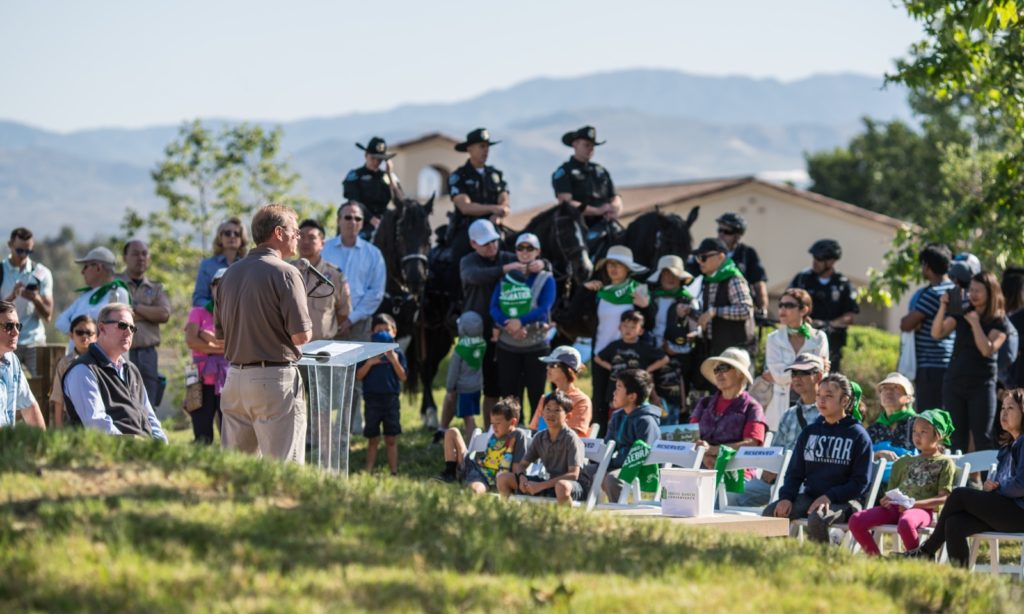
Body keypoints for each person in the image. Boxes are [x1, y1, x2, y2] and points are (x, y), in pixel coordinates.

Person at [216, 204, 312, 463]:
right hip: (274, 381)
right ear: (279, 233)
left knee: (237, 471)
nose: (298, 237)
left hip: (234, 379)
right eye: (295, 231)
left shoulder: (229, 274)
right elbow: (301, 337)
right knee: (284, 469)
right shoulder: (287, 272)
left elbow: (220, 333)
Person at [905, 389, 1024, 565]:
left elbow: (1021, 484)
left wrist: (999, 489)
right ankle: (959, 580)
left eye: (1011, 408)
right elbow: (1003, 481)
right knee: (954, 524)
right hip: (1006, 508)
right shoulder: (1008, 447)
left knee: (959, 494)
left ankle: (926, 551)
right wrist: (991, 486)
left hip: (1019, 513)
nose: (1004, 413)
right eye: (1002, 408)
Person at [763, 373, 872, 543]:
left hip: (845, 501)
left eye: (829, 396)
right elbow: (795, 473)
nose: (821, 400)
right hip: (811, 497)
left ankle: (820, 564)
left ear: (845, 401)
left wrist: (829, 496)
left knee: (818, 518)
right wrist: (786, 497)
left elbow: (860, 482)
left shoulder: (858, 436)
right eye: (819, 395)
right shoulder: (810, 432)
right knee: (771, 512)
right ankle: (777, 561)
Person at [848, 409, 956, 556]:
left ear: (938, 435)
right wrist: (886, 500)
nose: (917, 436)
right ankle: (876, 559)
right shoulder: (903, 461)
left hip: (922, 510)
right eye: (914, 431)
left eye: (923, 432)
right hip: (896, 508)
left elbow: (944, 498)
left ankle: (918, 560)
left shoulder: (945, 462)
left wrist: (913, 504)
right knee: (856, 520)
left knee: (906, 522)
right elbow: (891, 493)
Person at [321, 201, 386, 435]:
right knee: (325, 376)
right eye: (348, 218)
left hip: (359, 323)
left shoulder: (373, 254)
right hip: (327, 324)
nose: (353, 222)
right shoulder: (324, 249)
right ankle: (322, 430)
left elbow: (376, 292)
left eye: (357, 218)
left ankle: (344, 429)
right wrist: (335, 318)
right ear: (339, 221)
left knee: (355, 378)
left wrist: (350, 318)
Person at [730, 353, 825, 507]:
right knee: (733, 496)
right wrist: (771, 469)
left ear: (819, 376)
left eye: (803, 373)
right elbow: (776, 452)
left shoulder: (828, 413)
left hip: (808, 483)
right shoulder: (789, 414)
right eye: (794, 373)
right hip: (781, 479)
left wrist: (783, 470)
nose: (796, 377)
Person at [62, 303, 165, 441]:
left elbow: (151, 418)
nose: (128, 332)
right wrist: (138, 445)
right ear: (102, 328)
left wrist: (161, 445)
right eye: (122, 325)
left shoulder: (131, 370)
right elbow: (97, 426)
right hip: (110, 455)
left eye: (132, 328)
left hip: (142, 452)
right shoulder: (83, 370)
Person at [457, 219, 523, 429]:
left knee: (512, 386)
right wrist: (505, 269)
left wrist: (541, 264)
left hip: (508, 333)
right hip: (480, 335)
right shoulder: (468, 262)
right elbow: (474, 276)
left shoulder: (508, 257)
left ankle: (514, 431)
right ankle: (489, 432)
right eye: (486, 243)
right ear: (473, 244)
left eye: (494, 241)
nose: (492, 246)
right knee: (489, 388)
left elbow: (535, 263)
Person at [932, 271, 1008, 452]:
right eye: (971, 290)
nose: (972, 294)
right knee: (956, 440)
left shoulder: (999, 322)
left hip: (981, 386)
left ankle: (987, 480)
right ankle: (960, 481)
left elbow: (986, 349)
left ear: (990, 293)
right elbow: (936, 333)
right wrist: (943, 306)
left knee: (983, 438)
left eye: (978, 291)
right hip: (954, 383)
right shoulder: (962, 313)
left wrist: (975, 323)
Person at [583, 245, 651, 433]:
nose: (613, 268)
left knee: (626, 401)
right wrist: (585, 291)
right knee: (599, 402)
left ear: (628, 268)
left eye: (619, 265)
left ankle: (623, 442)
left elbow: (647, 324)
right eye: (610, 264)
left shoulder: (638, 290)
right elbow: (583, 317)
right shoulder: (601, 291)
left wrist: (645, 307)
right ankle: (598, 448)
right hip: (601, 354)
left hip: (627, 356)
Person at [490, 232, 555, 420]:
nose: (525, 252)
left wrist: (521, 322)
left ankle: (537, 439)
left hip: (536, 346)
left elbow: (545, 307)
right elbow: (493, 306)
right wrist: (508, 324)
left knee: (537, 395)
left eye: (530, 248)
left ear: (538, 252)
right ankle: (513, 439)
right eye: (521, 248)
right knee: (510, 398)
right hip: (508, 346)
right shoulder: (506, 278)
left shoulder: (546, 277)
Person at [497, 390, 588, 505]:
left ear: (568, 416)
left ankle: (565, 521)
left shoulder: (571, 438)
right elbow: (522, 465)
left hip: (574, 486)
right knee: (503, 478)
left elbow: (573, 474)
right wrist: (521, 478)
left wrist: (540, 486)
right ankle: (508, 517)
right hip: (550, 484)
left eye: (557, 410)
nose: (551, 414)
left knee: (561, 486)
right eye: (548, 409)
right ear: (542, 412)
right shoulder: (540, 437)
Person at [590, 368, 662, 503]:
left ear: (632, 396)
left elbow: (644, 457)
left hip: (638, 472)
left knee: (612, 478)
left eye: (618, 388)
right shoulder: (617, 416)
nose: (614, 392)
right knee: (584, 471)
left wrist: (610, 467)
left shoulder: (646, 421)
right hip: (617, 464)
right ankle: (585, 511)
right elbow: (608, 446)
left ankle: (622, 513)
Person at [762, 288, 829, 430]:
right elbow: (779, 376)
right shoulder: (773, 338)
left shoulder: (819, 337)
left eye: (789, 305)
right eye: (780, 305)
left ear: (804, 310)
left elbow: (820, 375)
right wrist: (806, 372)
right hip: (781, 405)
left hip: (812, 406)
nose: (782, 309)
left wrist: (783, 371)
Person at [691, 348, 768, 469]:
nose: (718, 374)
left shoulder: (752, 407)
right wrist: (705, 456)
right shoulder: (704, 403)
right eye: (716, 370)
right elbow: (691, 436)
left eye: (724, 368)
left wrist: (715, 451)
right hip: (700, 466)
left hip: (735, 472)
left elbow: (752, 444)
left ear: (740, 374)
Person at [789, 239, 859, 373]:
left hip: (833, 341)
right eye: (814, 257)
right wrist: (804, 321)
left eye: (819, 259)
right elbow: (787, 303)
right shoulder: (802, 279)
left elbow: (850, 315)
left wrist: (827, 324)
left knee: (828, 379)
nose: (815, 262)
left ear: (831, 261)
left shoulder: (842, 283)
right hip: (803, 338)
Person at [434, 397, 529, 495]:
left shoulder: (518, 435)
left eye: (498, 423)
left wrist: (514, 485)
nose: (494, 427)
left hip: (488, 479)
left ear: (512, 422)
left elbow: (517, 467)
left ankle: (464, 488)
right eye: (492, 423)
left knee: (475, 489)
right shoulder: (495, 434)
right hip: (474, 466)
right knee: (452, 432)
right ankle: (450, 475)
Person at [900, 244, 955, 410]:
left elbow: (906, 324)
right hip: (949, 362)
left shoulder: (934, 293)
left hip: (930, 365)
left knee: (928, 416)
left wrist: (916, 323)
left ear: (927, 267)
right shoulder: (955, 289)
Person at [648, 255, 699, 424]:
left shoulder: (689, 300)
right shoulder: (651, 298)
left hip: (678, 359)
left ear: (681, 278)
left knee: (676, 403)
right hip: (652, 354)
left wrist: (675, 348)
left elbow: (695, 333)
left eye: (674, 275)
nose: (669, 278)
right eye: (665, 274)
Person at [119, 240, 171, 407]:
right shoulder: (115, 284)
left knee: (148, 404)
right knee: (122, 401)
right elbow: (112, 316)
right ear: (124, 258)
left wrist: (134, 308)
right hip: (121, 353)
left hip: (148, 354)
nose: (140, 258)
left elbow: (164, 314)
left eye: (144, 253)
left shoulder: (156, 288)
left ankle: (148, 434)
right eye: (135, 253)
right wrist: (149, 313)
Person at [447, 128, 509, 267]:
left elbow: (504, 200)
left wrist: (500, 214)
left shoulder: (495, 175)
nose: (486, 150)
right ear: (469, 149)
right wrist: (495, 209)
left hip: (495, 228)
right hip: (467, 229)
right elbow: (465, 207)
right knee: (457, 259)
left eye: (487, 147)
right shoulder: (458, 176)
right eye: (481, 146)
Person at [356, 314, 407, 475]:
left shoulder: (397, 353)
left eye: (387, 330)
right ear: (372, 332)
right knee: (372, 438)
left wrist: (394, 360)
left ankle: (394, 471)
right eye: (379, 330)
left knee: (391, 438)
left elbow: (403, 377)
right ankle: (368, 471)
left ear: (394, 332)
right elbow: (358, 376)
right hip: (372, 400)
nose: (383, 333)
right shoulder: (367, 352)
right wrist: (370, 362)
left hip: (391, 400)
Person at [184, 268, 228, 444]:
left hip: (228, 376)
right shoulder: (198, 312)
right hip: (199, 376)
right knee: (201, 430)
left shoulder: (237, 313)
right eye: (218, 285)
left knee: (230, 428)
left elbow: (237, 344)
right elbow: (191, 342)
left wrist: (206, 337)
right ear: (211, 287)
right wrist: (222, 345)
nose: (222, 289)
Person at [552, 125, 623, 234]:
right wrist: (597, 211)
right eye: (587, 145)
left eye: (593, 146)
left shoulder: (601, 171)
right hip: (579, 228)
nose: (591, 149)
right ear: (575, 144)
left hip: (607, 225)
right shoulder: (564, 171)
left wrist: (614, 208)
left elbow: (615, 197)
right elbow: (566, 203)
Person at [694, 238, 755, 362]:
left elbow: (746, 310)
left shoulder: (734, 279)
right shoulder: (707, 280)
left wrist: (715, 312)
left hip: (735, 352)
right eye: (698, 257)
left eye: (703, 257)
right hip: (714, 349)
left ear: (720, 257)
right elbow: (706, 315)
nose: (700, 262)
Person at [2, 227, 53, 376]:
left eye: (28, 251)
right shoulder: (0, 271)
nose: (24, 255)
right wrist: (11, 297)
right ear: (10, 244)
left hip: (34, 341)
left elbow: (48, 315)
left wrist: (35, 298)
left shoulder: (41, 273)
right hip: (6, 340)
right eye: (19, 251)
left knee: (44, 388)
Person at [55, 246, 131, 347]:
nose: (82, 272)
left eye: (86, 266)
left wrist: (76, 326)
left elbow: (102, 317)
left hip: (104, 359)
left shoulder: (119, 292)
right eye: (80, 333)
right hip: (79, 358)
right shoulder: (85, 295)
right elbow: (60, 322)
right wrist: (81, 329)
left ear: (98, 268)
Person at [594, 310, 669, 407]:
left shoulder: (644, 347)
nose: (628, 330)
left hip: (636, 395)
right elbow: (597, 358)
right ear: (620, 327)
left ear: (641, 331)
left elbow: (665, 359)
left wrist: (646, 370)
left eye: (633, 327)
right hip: (615, 394)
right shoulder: (614, 346)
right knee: (615, 419)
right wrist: (611, 367)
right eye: (625, 326)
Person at [297, 219, 351, 341]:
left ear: (322, 243)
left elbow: (343, 312)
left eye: (311, 238)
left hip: (323, 347)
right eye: (301, 236)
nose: (305, 241)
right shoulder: (285, 272)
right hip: (293, 347)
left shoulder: (335, 275)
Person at [343, 137, 403, 240]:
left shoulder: (388, 177)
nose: (376, 162)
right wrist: (371, 218)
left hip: (384, 222)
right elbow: (354, 200)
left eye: (379, 159)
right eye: (373, 158)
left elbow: (400, 201)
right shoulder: (355, 175)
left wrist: (389, 174)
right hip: (360, 221)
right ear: (366, 156)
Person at [528, 345, 593, 438]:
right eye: (548, 365)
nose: (547, 368)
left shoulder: (582, 400)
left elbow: (574, 436)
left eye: (552, 365)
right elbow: (533, 432)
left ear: (568, 369)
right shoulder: (545, 398)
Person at [0, 300, 46, 429]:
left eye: (18, 326)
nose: (16, 332)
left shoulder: (12, 360)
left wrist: (41, 445)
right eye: (9, 326)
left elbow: (29, 407)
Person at [49, 314, 97, 428]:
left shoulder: (101, 362)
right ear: (71, 335)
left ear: (96, 337)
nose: (84, 336)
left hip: (98, 420)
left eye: (89, 333)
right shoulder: (64, 364)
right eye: (80, 332)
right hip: (71, 420)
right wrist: (59, 429)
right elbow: (58, 397)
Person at [445, 311, 485, 438]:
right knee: (471, 415)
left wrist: (450, 389)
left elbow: (453, 372)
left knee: (468, 418)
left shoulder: (460, 349)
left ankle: (471, 445)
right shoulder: (482, 344)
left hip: (464, 389)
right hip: (477, 387)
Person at [193, 217, 249, 307]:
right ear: (220, 237)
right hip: (214, 318)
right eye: (227, 233)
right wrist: (215, 309)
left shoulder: (248, 265)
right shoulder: (207, 265)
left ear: (242, 239)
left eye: (237, 233)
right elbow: (198, 299)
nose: (232, 236)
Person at [867, 373, 917, 463]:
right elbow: (860, 456)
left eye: (896, 388)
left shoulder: (918, 424)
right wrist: (877, 455)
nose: (888, 392)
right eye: (884, 388)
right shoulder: (874, 428)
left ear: (908, 398)